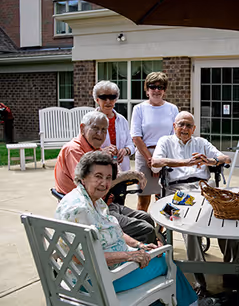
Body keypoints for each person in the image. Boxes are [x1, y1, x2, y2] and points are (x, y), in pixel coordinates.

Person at [54, 151, 199, 306]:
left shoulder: (93, 200)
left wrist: (139, 245)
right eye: (98, 176)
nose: (104, 183)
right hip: (93, 280)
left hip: (104, 272)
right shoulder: (79, 208)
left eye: (108, 178)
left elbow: (114, 231)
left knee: (154, 268)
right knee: (166, 262)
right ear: (83, 177)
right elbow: (79, 256)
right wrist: (128, 256)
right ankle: (192, 303)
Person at [151, 111, 233, 297]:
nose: (185, 128)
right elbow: (155, 163)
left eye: (189, 125)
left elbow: (225, 159)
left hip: (204, 188)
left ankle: (231, 270)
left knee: (226, 219)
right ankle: (200, 279)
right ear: (174, 126)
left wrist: (210, 161)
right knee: (188, 226)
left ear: (194, 129)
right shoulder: (166, 141)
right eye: (181, 124)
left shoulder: (201, 143)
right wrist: (185, 162)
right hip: (174, 193)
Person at [54, 111, 156, 244]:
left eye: (104, 130)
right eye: (95, 128)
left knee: (146, 217)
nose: (100, 134)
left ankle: (147, 254)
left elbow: (113, 173)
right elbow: (88, 185)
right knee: (145, 229)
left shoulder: (96, 149)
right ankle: (138, 258)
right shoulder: (73, 150)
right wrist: (130, 174)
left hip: (105, 203)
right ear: (82, 128)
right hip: (93, 210)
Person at [131, 71, 179, 212]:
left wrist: (160, 161)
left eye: (160, 87)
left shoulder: (172, 109)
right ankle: (143, 231)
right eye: (152, 86)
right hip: (145, 156)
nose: (156, 90)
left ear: (164, 90)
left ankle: (160, 233)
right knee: (143, 201)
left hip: (166, 156)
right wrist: (151, 161)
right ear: (147, 90)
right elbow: (136, 137)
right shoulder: (139, 109)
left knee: (165, 201)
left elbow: (174, 136)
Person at [94, 80, 135, 172]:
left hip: (121, 170)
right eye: (103, 97)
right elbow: (83, 148)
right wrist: (102, 152)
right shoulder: (90, 121)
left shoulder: (122, 120)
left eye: (112, 97)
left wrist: (126, 150)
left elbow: (131, 145)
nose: (108, 101)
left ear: (116, 100)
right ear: (97, 100)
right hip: (99, 170)